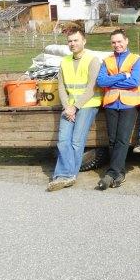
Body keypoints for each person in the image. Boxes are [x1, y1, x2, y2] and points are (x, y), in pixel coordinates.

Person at [47, 28, 102, 192]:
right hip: (69, 106)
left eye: (76, 40)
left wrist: (75, 107)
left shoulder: (93, 60)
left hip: (88, 104)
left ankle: (65, 175)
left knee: (77, 141)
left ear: (84, 41)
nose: (72, 43)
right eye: (70, 41)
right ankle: (66, 176)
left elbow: (92, 87)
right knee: (63, 140)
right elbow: (61, 87)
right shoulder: (64, 62)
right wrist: (67, 107)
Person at [96, 29, 140, 190]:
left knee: (123, 139)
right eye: (114, 42)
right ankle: (120, 174)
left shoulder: (135, 59)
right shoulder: (106, 60)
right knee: (112, 140)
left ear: (126, 41)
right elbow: (101, 82)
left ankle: (111, 172)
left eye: (119, 41)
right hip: (111, 103)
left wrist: (112, 81)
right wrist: (123, 76)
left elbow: (135, 82)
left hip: (128, 104)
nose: (117, 45)